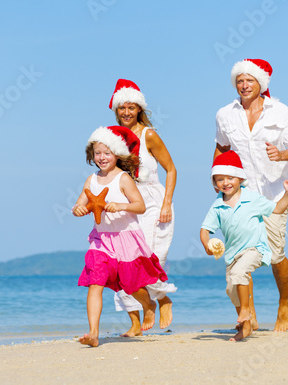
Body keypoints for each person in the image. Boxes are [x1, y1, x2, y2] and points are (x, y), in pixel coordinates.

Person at [214, 59, 288, 332]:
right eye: (240, 80)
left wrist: (282, 154)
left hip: (274, 195)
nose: (244, 85)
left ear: (261, 83)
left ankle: (285, 301)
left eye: (250, 80)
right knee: (241, 255)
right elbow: (221, 148)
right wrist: (217, 180)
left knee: (275, 255)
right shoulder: (224, 114)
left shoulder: (282, 112)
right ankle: (247, 311)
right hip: (240, 196)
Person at [73, 125, 169, 347]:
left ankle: (149, 305)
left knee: (132, 285)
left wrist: (120, 206)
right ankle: (93, 333)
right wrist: (77, 209)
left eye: (107, 152)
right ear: (91, 155)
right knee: (95, 283)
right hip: (101, 239)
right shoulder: (91, 180)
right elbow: (81, 204)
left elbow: (141, 206)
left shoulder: (124, 179)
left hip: (126, 237)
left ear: (117, 154)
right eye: (98, 153)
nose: (102, 157)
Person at [200, 150, 288, 341]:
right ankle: (246, 326)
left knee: (239, 274)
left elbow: (277, 209)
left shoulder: (252, 199)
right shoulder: (217, 206)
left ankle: (246, 311)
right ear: (214, 183)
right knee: (231, 288)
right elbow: (205, 229)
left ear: (240, 178)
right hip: (233, 254)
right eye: (220, 179)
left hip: (254, 249)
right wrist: (207, 244)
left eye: (230, 177)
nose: (226, 182)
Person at [109, 79, 177, 336]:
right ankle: (135, 322)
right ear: (116, 111)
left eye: (131, 107)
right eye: (121, 108)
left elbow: (171, 169)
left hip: (152, 200)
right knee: (123, 261)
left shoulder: (149, 135)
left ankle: (162, 299)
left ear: (139, 109)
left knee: (150, 256)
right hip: (125, 202)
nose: (126, 112)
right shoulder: (112, 138)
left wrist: (167, 203)